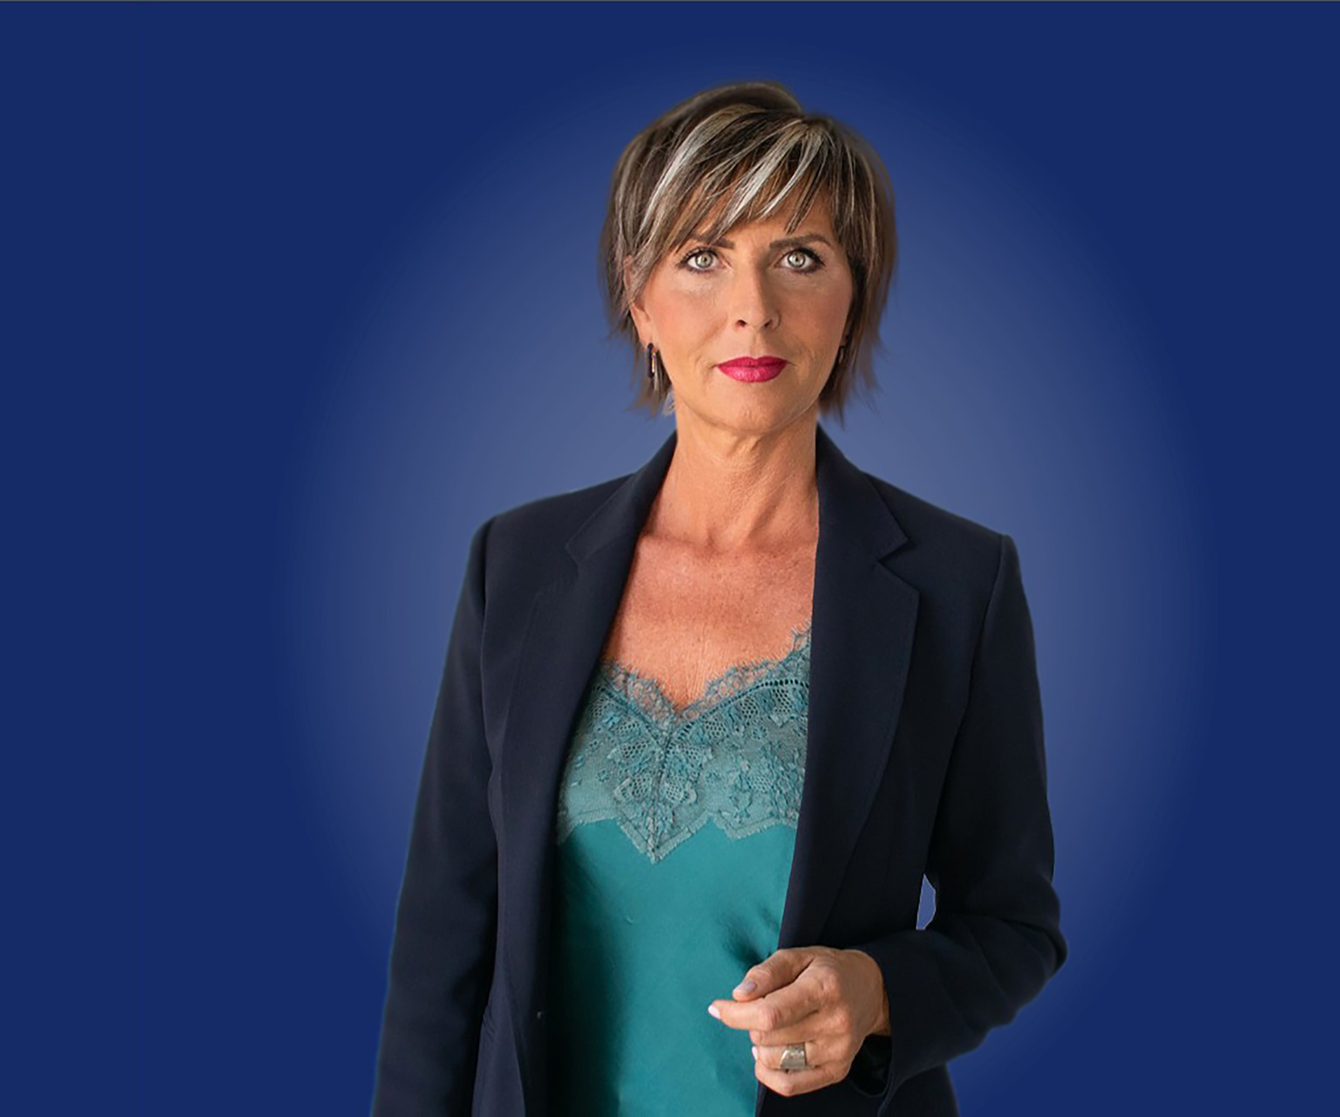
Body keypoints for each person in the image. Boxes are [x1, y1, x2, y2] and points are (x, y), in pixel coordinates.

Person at [370, 80, 1065, 1117]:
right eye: (703, 256)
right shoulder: (514, 565)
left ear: (853, 300)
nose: (754, 306)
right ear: (639, 296)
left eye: (800, 257)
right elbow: (440, 951)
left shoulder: (959, 585)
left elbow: (1013, 926)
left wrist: (879, 991)